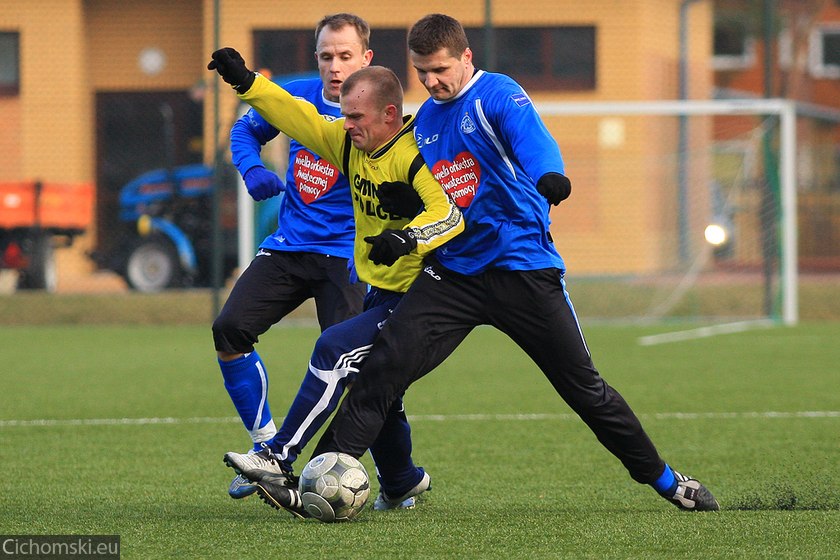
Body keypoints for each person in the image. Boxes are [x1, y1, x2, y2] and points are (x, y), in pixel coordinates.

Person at [306, 13, 720, 512]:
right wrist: (404, 203)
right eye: (421, 72)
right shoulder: (430, 118)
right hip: (454, 272)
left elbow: (531, 138)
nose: (432, 82)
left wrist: (550, 174)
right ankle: (320, 478)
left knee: (584, 390)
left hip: (522, 269)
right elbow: (437, 192)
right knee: (382, 368)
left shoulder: (497, 94)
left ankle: (668, 481)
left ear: (466, 57)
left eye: (440, 69)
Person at [208, 49, 465, 517]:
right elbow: (299, 116)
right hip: (380, 291)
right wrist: (247, 82)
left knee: (335, 349)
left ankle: (277, 458)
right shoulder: (349, 143)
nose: (345, 124)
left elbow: (448, 214)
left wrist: (408, 235)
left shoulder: (416, 155)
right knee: (376, 387)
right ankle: (403, 479)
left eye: (355, 116)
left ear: (389, 114)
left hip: (425, 297)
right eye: (343, 116)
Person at [212, 14, 370, 502]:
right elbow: (245, 130)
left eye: (346, 56)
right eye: (327, 56)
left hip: (347, 258)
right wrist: (252, 167)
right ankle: (265, 451)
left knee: (355, 370)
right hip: (290, 246)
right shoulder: (296, 94)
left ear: (367, 58)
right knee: (229, 329)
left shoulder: (383, 111)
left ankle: (401, 474)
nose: (335, 66)